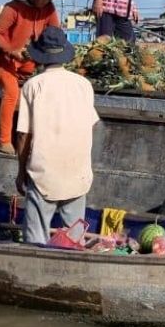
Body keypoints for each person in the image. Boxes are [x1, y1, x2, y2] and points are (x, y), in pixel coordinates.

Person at [14, 26, 100, 245]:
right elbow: (92, 125)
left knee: (35, 239)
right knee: (75, 238)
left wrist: (21, 172)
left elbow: (24, 135)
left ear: (39, 56)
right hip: (77, 173)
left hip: (44, 174)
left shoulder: (33, 86)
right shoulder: (83, 85)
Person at [0, 0, 66, 156]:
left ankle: (39, 139)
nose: (45, 0)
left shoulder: (49, 9)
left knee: (37, 92)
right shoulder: (12, 9)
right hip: (3, 60)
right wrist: (10, 51)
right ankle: (4, 140)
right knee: (11, 94)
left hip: (28, 60)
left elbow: (54, 32)